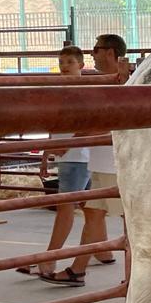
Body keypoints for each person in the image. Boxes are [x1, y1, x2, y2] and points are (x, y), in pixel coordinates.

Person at [41, 34, 127, 287]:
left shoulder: (117, 83)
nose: (92, 54)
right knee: (94, 215)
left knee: (126, 222)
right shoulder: (103, 82)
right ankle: (80, 268)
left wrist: (71, 141)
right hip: (101, 162)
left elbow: (108, 121)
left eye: (96, 49)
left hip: (112, 163)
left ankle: (135, 276)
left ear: (109, 52)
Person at [15, 46, 102, 276]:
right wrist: (47, 153)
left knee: (66, 208)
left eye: (70, 62)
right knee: (92, 209)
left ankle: (49, 259)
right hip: (73, 156)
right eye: (62, 62)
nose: (64, 66)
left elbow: (89, 123)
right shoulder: (62, 91)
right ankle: (103, 251)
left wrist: (66, 145)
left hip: (76, 157)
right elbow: (56, 125)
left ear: (81, 65)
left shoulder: (84, 92)